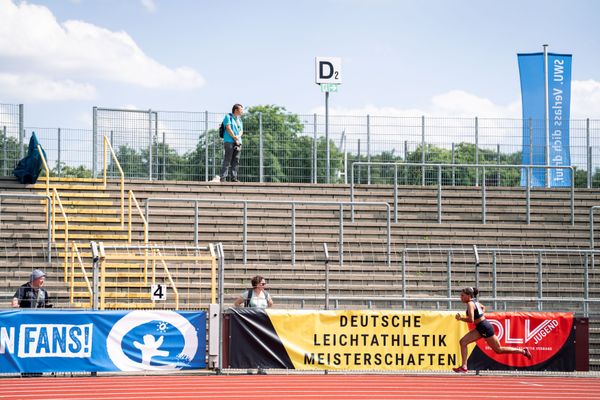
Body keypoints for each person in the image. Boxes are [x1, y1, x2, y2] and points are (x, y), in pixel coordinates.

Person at [453, 286, 531, 373]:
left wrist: (461, 319)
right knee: (463, 342)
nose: (461, 297)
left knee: (499, 350)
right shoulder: (475, 302)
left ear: (468, 295)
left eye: (462, 295)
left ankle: (523, 351)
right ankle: (464, 366)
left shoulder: (470, 304)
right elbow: (483, 308)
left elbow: (471, 320)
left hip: (484, 328)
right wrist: (480, 316)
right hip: (481, 327)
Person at [212, 103, 244, 183]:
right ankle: (223, 177)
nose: (242, 111)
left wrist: (238, 137)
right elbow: (228, 128)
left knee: (236, 160)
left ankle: (234, 177)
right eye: (241, 109)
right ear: (236, 110)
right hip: (229, 141)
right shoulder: (228, 117)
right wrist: (234, 138)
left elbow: (241, 131)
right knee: (227, 159)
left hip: (238, 142)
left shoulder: (239, 120)